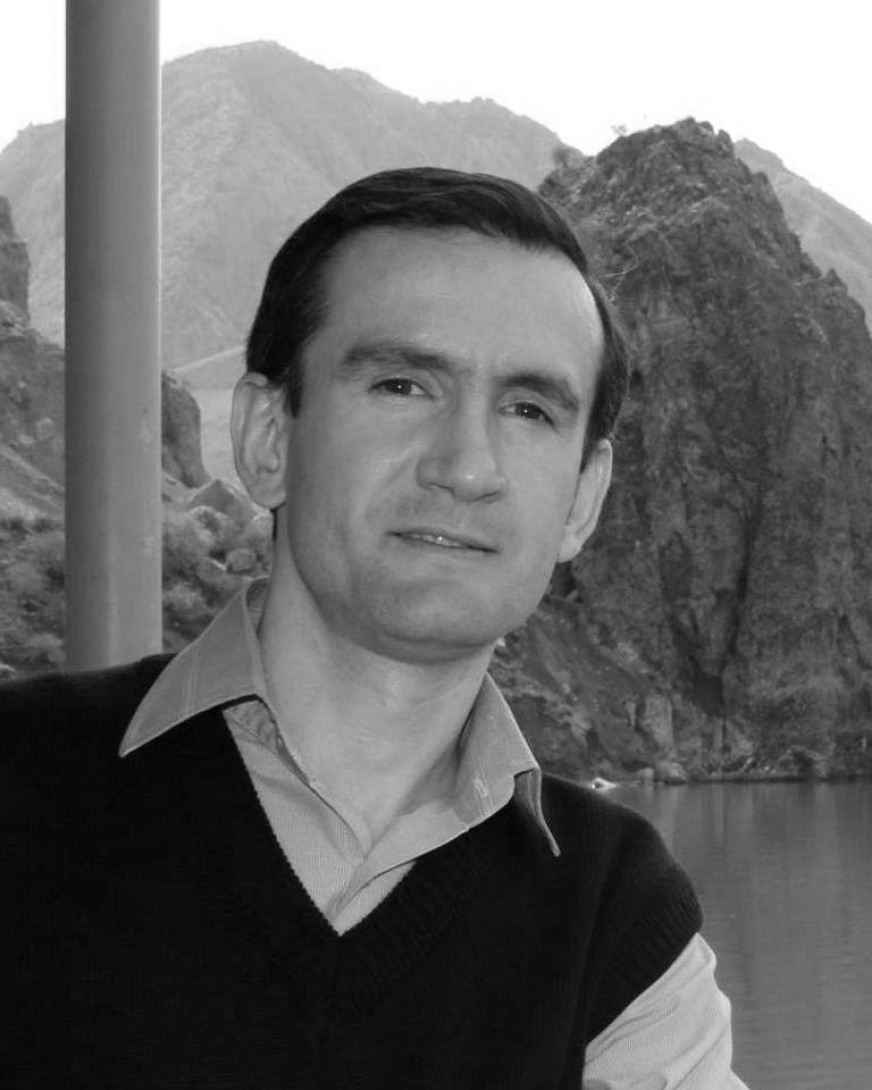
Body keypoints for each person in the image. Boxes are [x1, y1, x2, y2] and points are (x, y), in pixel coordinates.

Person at [3, 168, 748, 1088]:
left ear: (583, 501)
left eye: (529, 410)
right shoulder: (21, 783)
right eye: (402, 385)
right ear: (269, 439)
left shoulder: (624, 928)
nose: (466, 466)